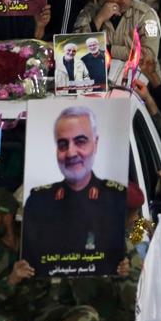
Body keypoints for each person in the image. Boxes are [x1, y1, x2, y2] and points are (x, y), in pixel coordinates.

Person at [21, 106, 127, 276]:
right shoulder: (38, 202)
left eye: (80, 141)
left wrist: (134, 264)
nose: (70, 153)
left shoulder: (118, 197)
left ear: (96, 143)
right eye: (63, 145)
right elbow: (28, 260)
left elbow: (142, 229)